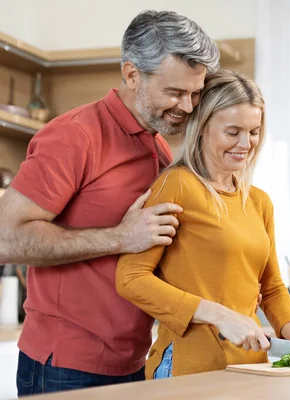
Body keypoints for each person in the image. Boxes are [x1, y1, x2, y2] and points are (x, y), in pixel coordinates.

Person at [0, 10, 220, 396]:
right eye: (174, 92)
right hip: (65, 365)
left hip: (132, 360)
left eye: (195, 93)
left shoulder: (158, 144)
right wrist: (119, 238)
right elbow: (5, 239)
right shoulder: (75, 136)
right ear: (132, 74)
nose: (187, 107)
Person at [115, 69, 290, 379]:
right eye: (233, 132)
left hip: (250, 368)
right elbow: (130, 277)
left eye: (254, 131)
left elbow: (270, 289)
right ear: (203, 128)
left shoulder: (258, 201)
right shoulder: (176, 186)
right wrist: (218, 315)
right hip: (187, 366)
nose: (246, 143)